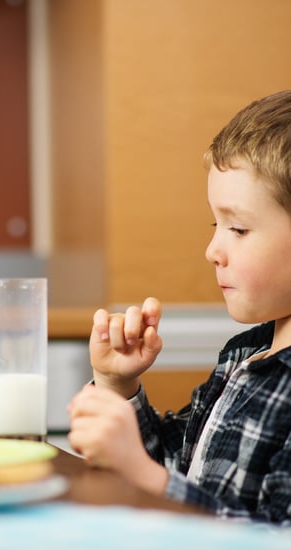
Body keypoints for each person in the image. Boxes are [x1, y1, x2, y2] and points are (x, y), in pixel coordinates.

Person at [67, 90, 291, 525]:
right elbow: (176, 469)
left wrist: (143, 474)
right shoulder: (244, 355)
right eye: (216, 225)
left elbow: (274, 534)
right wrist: (118, 384)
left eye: (239, 229)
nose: (212, 250)